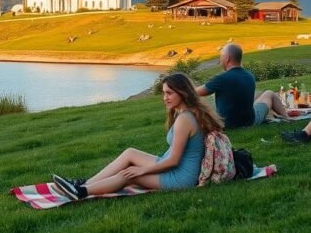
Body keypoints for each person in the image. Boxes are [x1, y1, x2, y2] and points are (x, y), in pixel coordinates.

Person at [51, 73, 222, 200]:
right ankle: (83, 184)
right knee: (130, 153)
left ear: (182, 93)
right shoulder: (188, 113)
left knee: (128, 175)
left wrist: (142, 170)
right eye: (163, 93)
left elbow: (173, 161)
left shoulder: (185, 119)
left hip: (180, 178)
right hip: (173, 167)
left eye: (169, 93)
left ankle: (81, 192)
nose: (165, 98)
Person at [195, 44, 289, 127]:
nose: (220, 59)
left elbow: (195, 93)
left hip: (228, 124)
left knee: (264, 95)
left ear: (227, 58)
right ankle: (287, 117)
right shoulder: (249, 76)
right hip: (248, 121)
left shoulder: (221, 78)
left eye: (221, 56)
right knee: (269, 94)